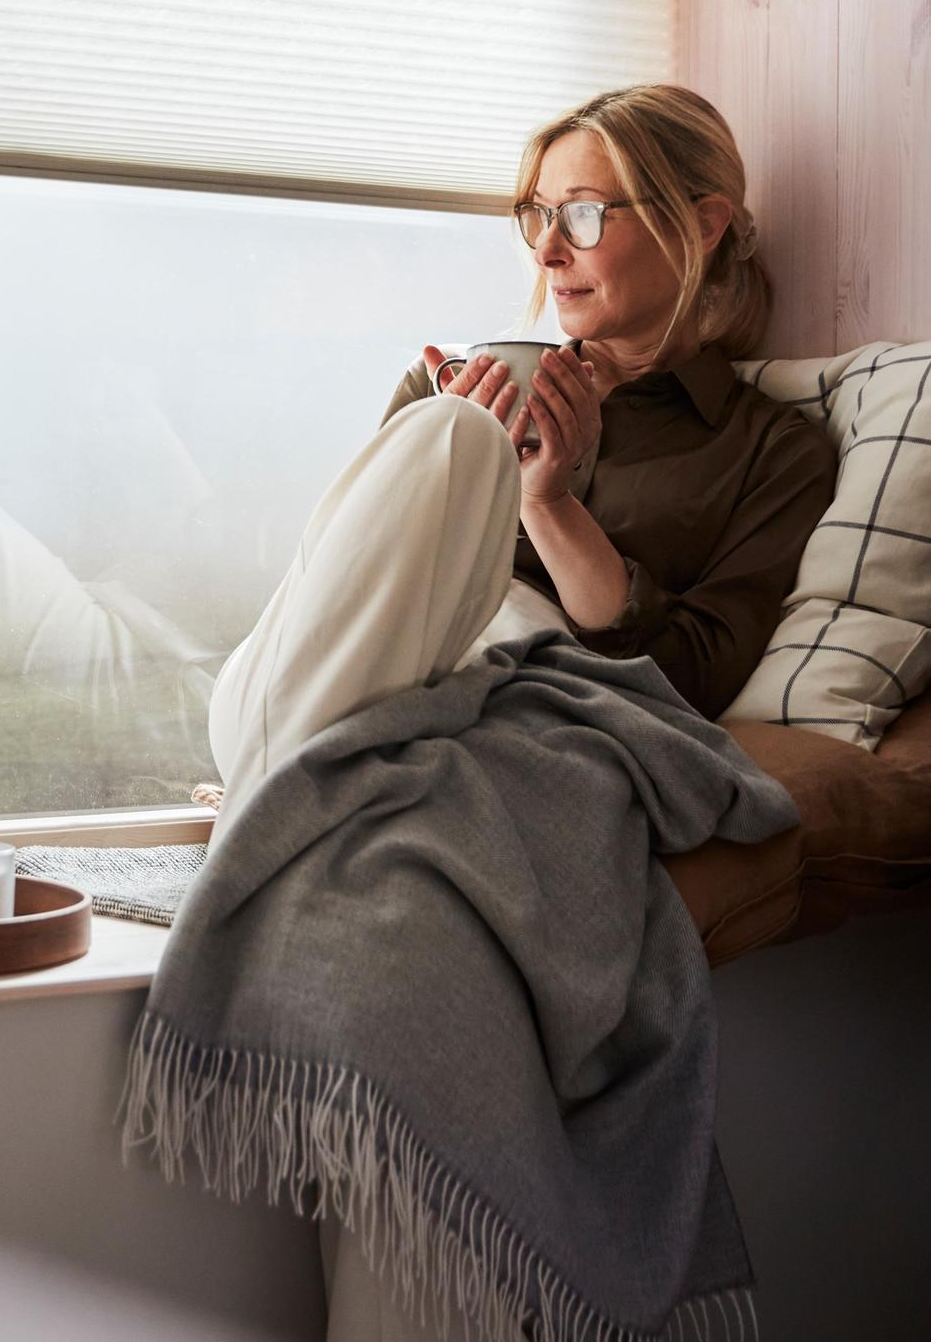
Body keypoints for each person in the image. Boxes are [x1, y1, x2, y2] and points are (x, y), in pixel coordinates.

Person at [202, 83, 838, 1340]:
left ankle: (279, 791)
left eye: (585, 212)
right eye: (533, 213)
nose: (545, 249)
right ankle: (286, 765)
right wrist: (467, 446)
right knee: (441, 439)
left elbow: (695, 675)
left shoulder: (770, 450)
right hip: (380, 677)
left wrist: (549, 501)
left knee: (452, 456)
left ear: (701, 224)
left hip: (542, 692)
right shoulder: (460, 382)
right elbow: (343, 591)